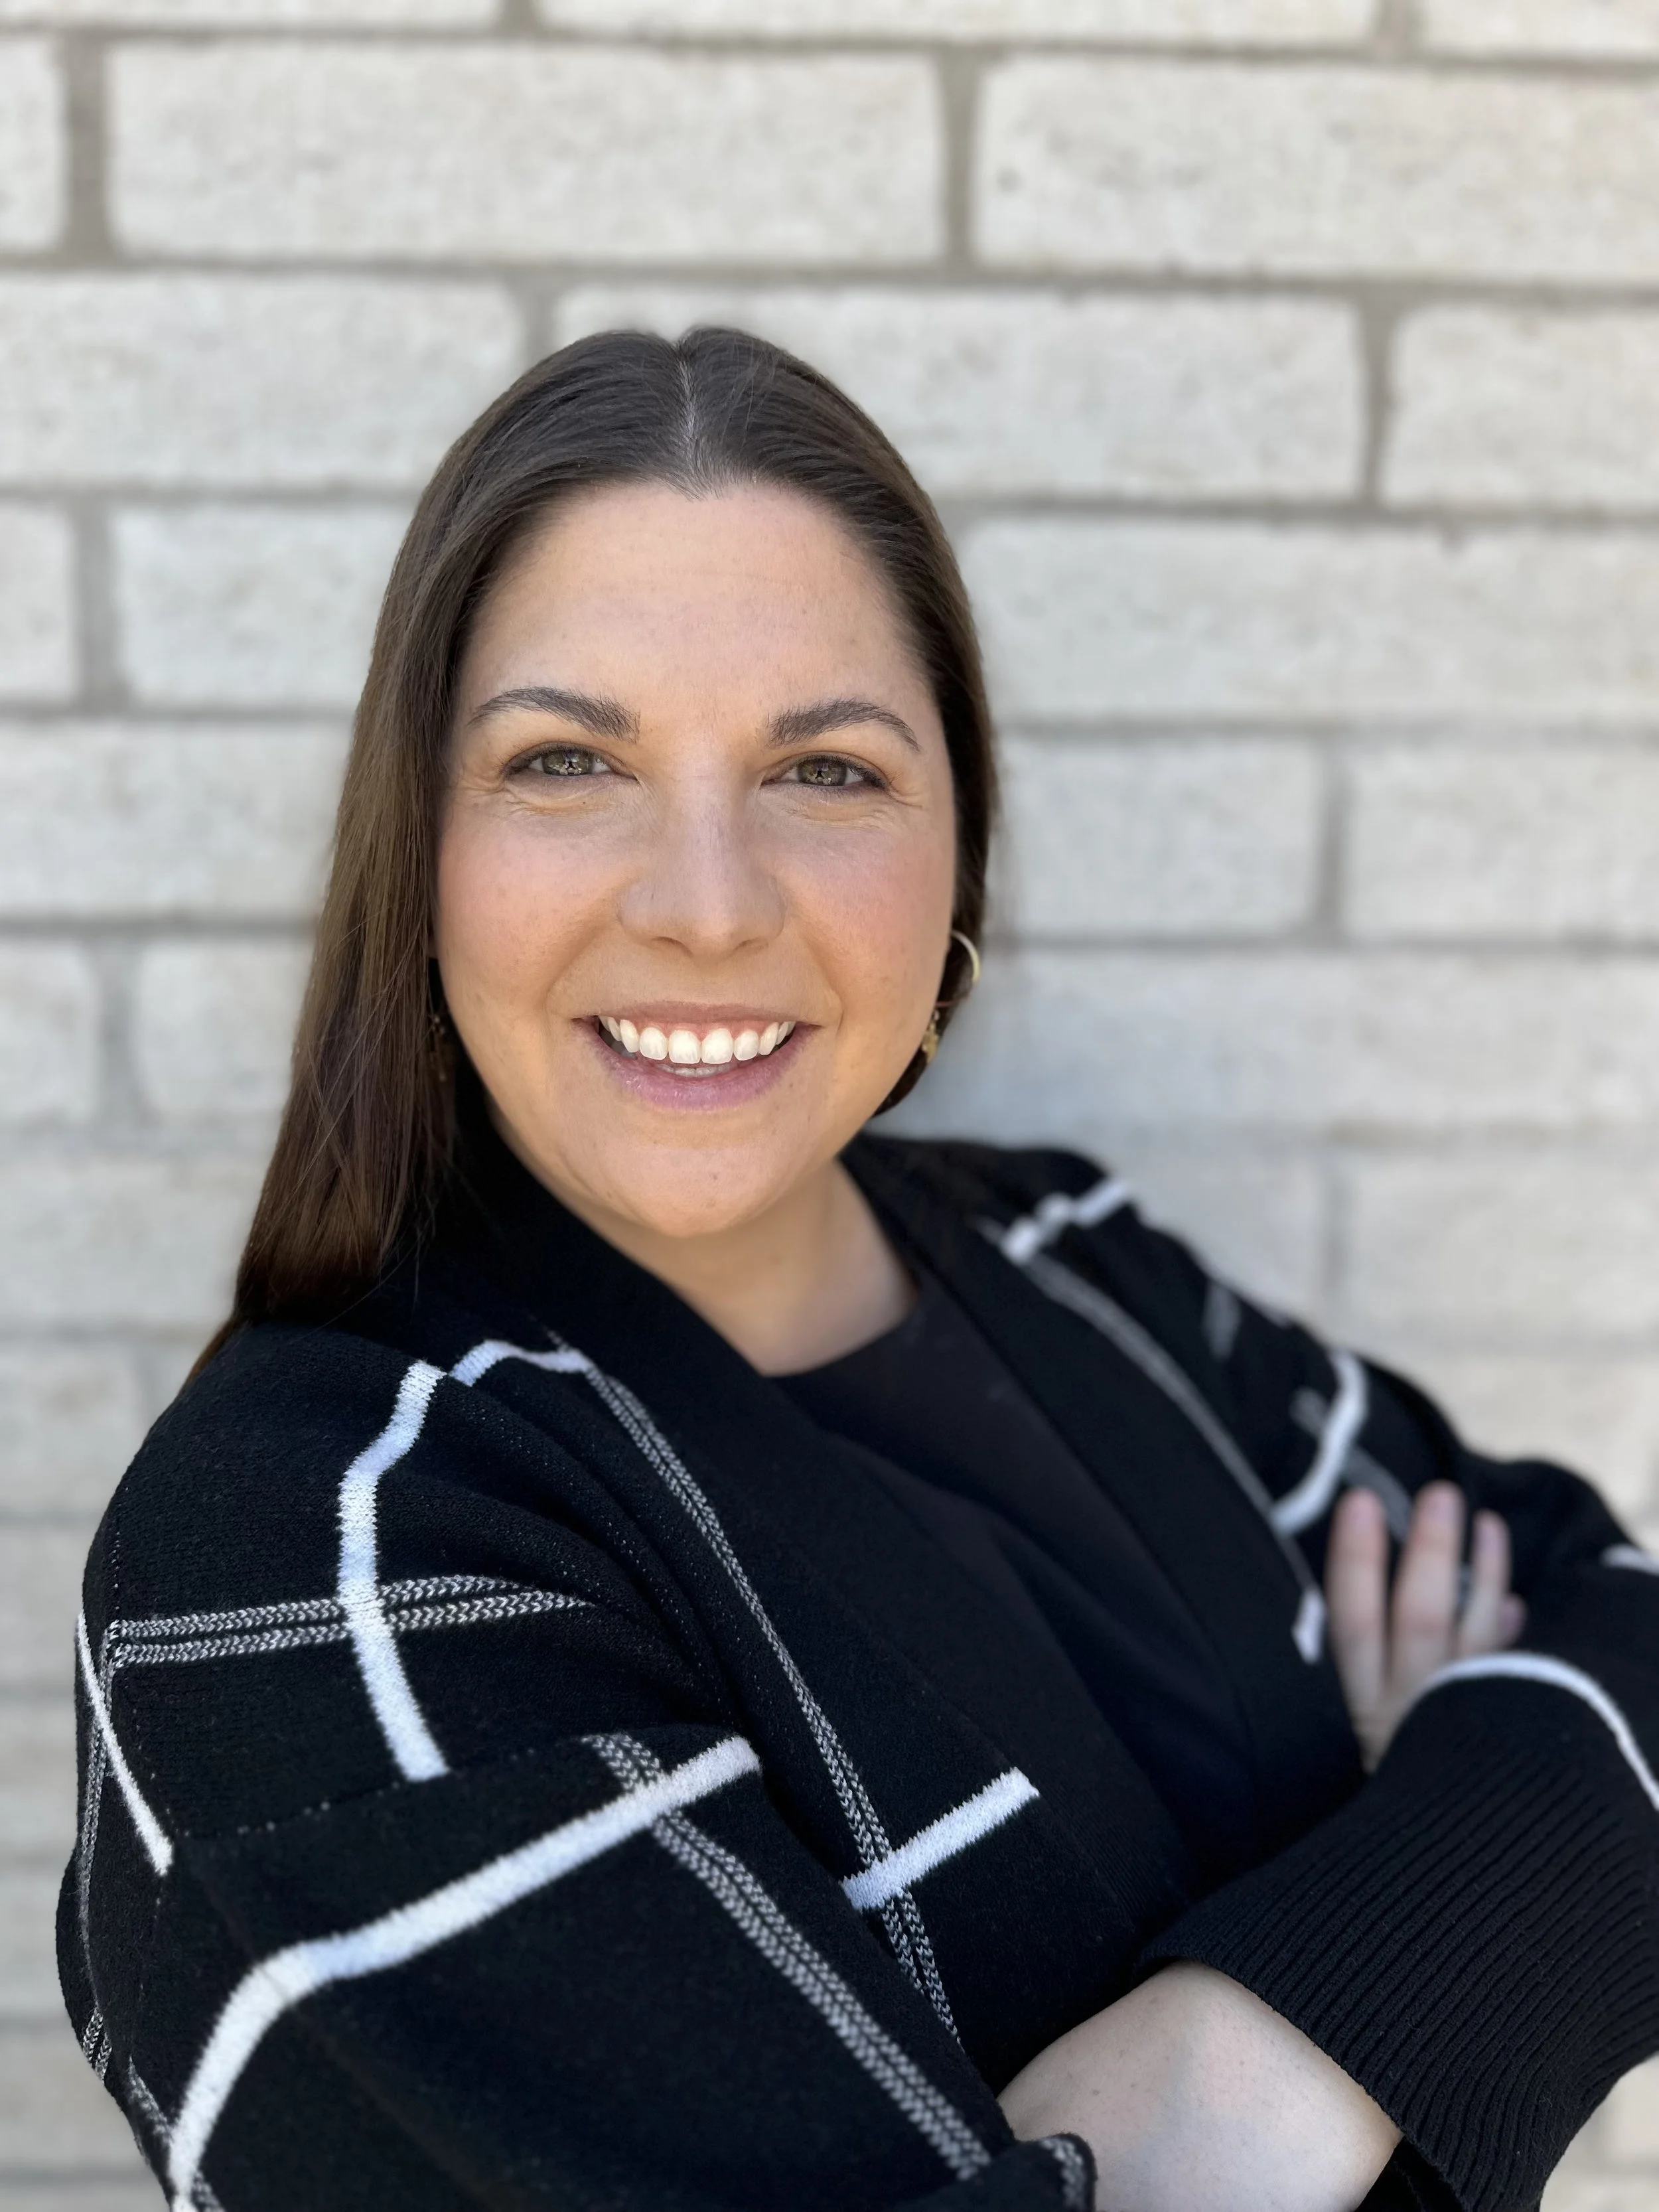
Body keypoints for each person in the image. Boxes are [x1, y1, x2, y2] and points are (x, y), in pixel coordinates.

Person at [60, 329, 1658, 2212]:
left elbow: (1617, 1618)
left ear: (958, 851)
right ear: (416, 852)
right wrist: (1451, 1839)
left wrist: (1243, 2064)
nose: (708, 904)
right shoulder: (311, 1545)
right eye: (566, 761)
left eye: (825, 769)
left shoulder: (1070, 1259)